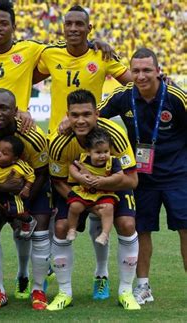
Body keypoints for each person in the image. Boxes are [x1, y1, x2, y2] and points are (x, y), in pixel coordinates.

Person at [98, 48, 187, 305]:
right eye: (135, 70)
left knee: (185, 229)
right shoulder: (123, 96)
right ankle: (143, 286)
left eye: (147, 70)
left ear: (158, 71)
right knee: (142, 229)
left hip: (177, 174)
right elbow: (95, 117)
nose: (141, 76)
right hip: (141, 176)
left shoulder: (175, 97)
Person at [48, 89, 140, 311]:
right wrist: (80, 198)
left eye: (86, 114)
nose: (81, 120)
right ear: (67, 115)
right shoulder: (59, 141)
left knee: (127, 224)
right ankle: (64, 292)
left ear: (97, 114)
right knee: (61, 227)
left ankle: (126, 291)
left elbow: (132, 180)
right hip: (74, 189)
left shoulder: (114, 134)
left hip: (113, 185)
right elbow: (58, 180)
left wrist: (100, 184)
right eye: (75, 115)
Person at [0, 88, 52, 310]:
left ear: (16, 111)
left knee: (40, 229)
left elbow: (43, 173)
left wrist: (21, 204)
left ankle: (38, 290)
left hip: (32, 187)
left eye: (3, 108)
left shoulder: (34, 137)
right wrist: (3, 191)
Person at [36, 5, 132, 135]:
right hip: (57, 135)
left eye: (79, 24)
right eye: (68, 24)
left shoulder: (103, 55)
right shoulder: (51, 54)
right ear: (63, 28)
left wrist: (158, 80)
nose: (73, 29)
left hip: (90, 136)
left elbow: (134, 84)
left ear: (89, 28)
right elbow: (27, 79)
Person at [66, 128, 123, 245]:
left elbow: (119, 176)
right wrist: (79, 177)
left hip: (104, 193)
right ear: (88, 151)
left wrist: (105, 180)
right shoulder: (82, 158)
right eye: (98, 152)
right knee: (74, 206)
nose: (103, 155)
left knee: (108, 208)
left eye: (106, 151)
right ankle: (72, 229)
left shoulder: (113, 162)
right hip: (84, 191)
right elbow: (72, 168)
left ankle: (105, 234)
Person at [0, 136, 37, 238]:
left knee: (18, 212)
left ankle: (30, 221)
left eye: (4, 154)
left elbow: (31, 175)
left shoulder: (19, 166)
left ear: (14, 159)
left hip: (13, 195)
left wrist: (27, 188)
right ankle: (16, 223)